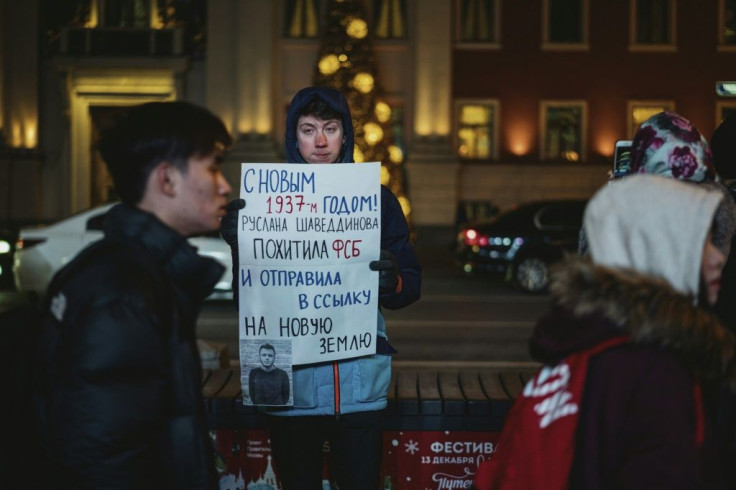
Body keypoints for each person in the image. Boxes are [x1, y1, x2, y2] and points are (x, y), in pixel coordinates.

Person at [475, 174, 736, 489]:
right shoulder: (655, 371)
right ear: (663, 251)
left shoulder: (579, 351)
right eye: (703, 241)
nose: (719, 257)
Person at [220, 86, 422, 490]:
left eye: (331, 128)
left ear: (346, 134)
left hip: (360, 386)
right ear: (293, 136)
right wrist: (240, 244)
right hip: (291, 388)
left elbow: (410, 286)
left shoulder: (377, 201)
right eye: (309, 129)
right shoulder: (264, 205)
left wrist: (391, 279)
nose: (321, 141)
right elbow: (252, 302)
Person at [33, 101, 233, 489]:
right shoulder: (124, 289)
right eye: (212, 167)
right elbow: (106, 457)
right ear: (167, 179)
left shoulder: (140, 273)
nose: (224, 184)